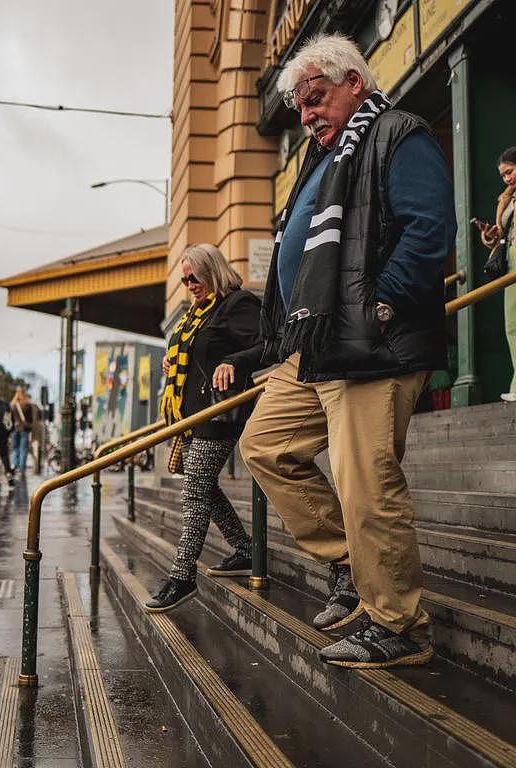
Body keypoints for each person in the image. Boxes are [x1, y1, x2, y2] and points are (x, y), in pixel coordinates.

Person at [237, 34, 457, 669]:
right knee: (266, 446)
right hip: (315, 345)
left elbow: (428, 228)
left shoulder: (396, 133)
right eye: (299, 105)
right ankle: (347, 565)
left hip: (372, 342)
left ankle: (399, 624)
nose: (307, 114)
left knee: (365, 482)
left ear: (355, 82)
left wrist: (380, 304)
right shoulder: (320, 160)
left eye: (316, 97)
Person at [144, 244, 262, 613]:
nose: (189, 285)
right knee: (203, 485)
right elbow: (198, 354)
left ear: (212, 270)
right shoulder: (199, 312)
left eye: (194, 277)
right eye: (184, 280)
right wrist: (173, 359)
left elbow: (268, 345)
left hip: (222, 412)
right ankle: (245, 550)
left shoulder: (238, 304)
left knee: (196, 486)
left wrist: (233, 360)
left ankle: (182, 576)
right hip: (195, 414)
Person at [477, 147, 516, 401]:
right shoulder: (506, 198)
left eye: (510, 172)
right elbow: (503, 235)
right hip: (511, 265)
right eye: (503, 175)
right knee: (512, 326)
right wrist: (490, 237)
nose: (507, 179)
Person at [9, 387, 35, 477]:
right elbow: (31, 420)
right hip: (24, 430)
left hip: (15, 429)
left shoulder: (12, 405)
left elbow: (9, 419)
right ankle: (21, 469)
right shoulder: (28, 405)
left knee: (15, 449)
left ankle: (14, 466)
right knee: (23, 450)